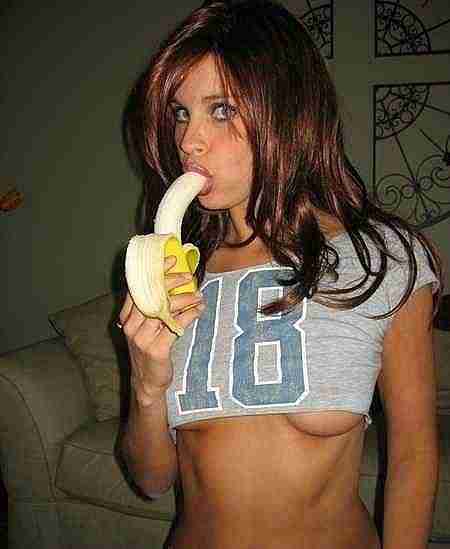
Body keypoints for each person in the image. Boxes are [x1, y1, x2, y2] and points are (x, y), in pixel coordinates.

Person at [118, 1, 443, 548]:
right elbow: (151, 480)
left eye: (221, 109)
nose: (189, 140)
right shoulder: (172, 272)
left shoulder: (383, 258)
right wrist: (146, 386)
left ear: (287, 110)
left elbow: (414, 453)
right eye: (181, 113)